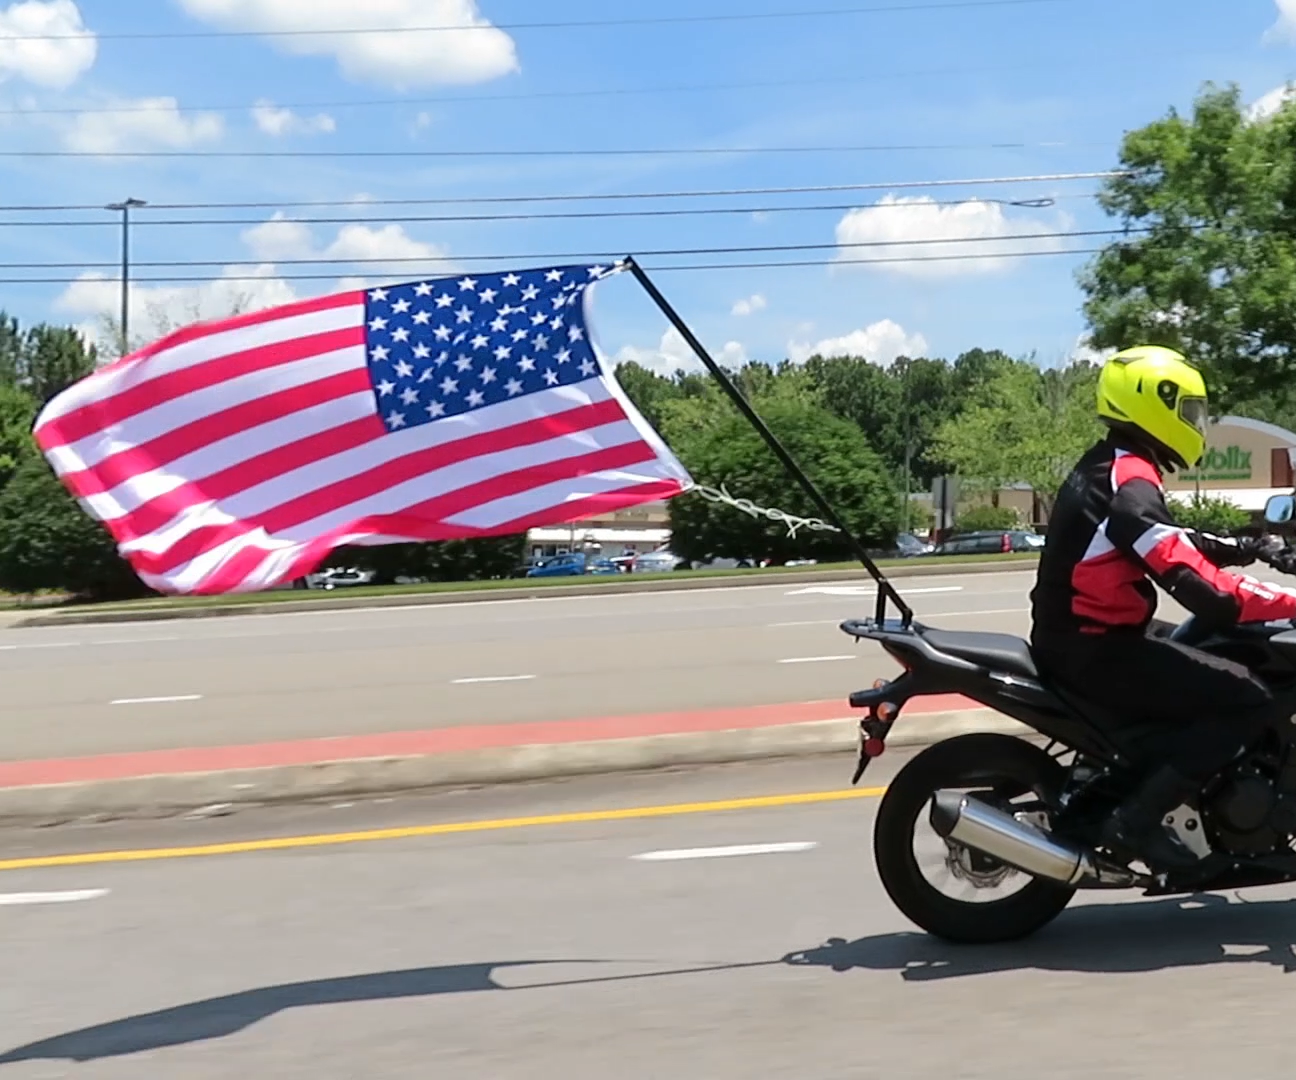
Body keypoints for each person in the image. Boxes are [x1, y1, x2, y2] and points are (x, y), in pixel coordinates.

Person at [1029, 344, 1296, 870]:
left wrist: (1249, 546)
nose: (1195, 423)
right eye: (1189, 411)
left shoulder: (1117, 467)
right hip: (1094, 646)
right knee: (1246, 699)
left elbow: (1167, 539)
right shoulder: (1129, 482)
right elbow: (1210, 594)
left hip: (1089, 633)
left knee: (1201, 652)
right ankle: (1136, 822)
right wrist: (1285, 601)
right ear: (1155, 404)